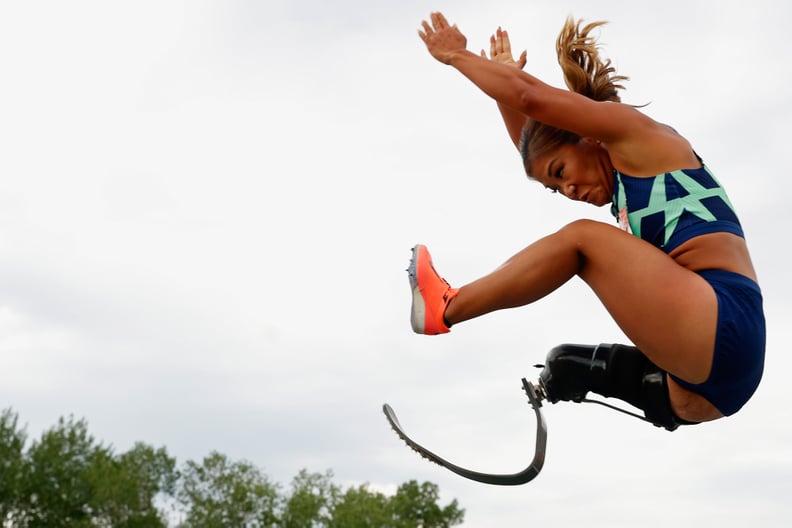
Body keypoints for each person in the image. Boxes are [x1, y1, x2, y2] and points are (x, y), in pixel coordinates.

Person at [409, 12, 765, 430]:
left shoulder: (638, 138)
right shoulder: (621, 194)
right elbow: (537, 140)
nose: (569, 192)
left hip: (727, 322)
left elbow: (533, 102)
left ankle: (446, 307)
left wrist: (459, 55)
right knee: (567, 362)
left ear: (586, 135)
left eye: (562, 175)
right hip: (700, 385)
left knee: (581, 240)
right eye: (556, 190)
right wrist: (503, 92)